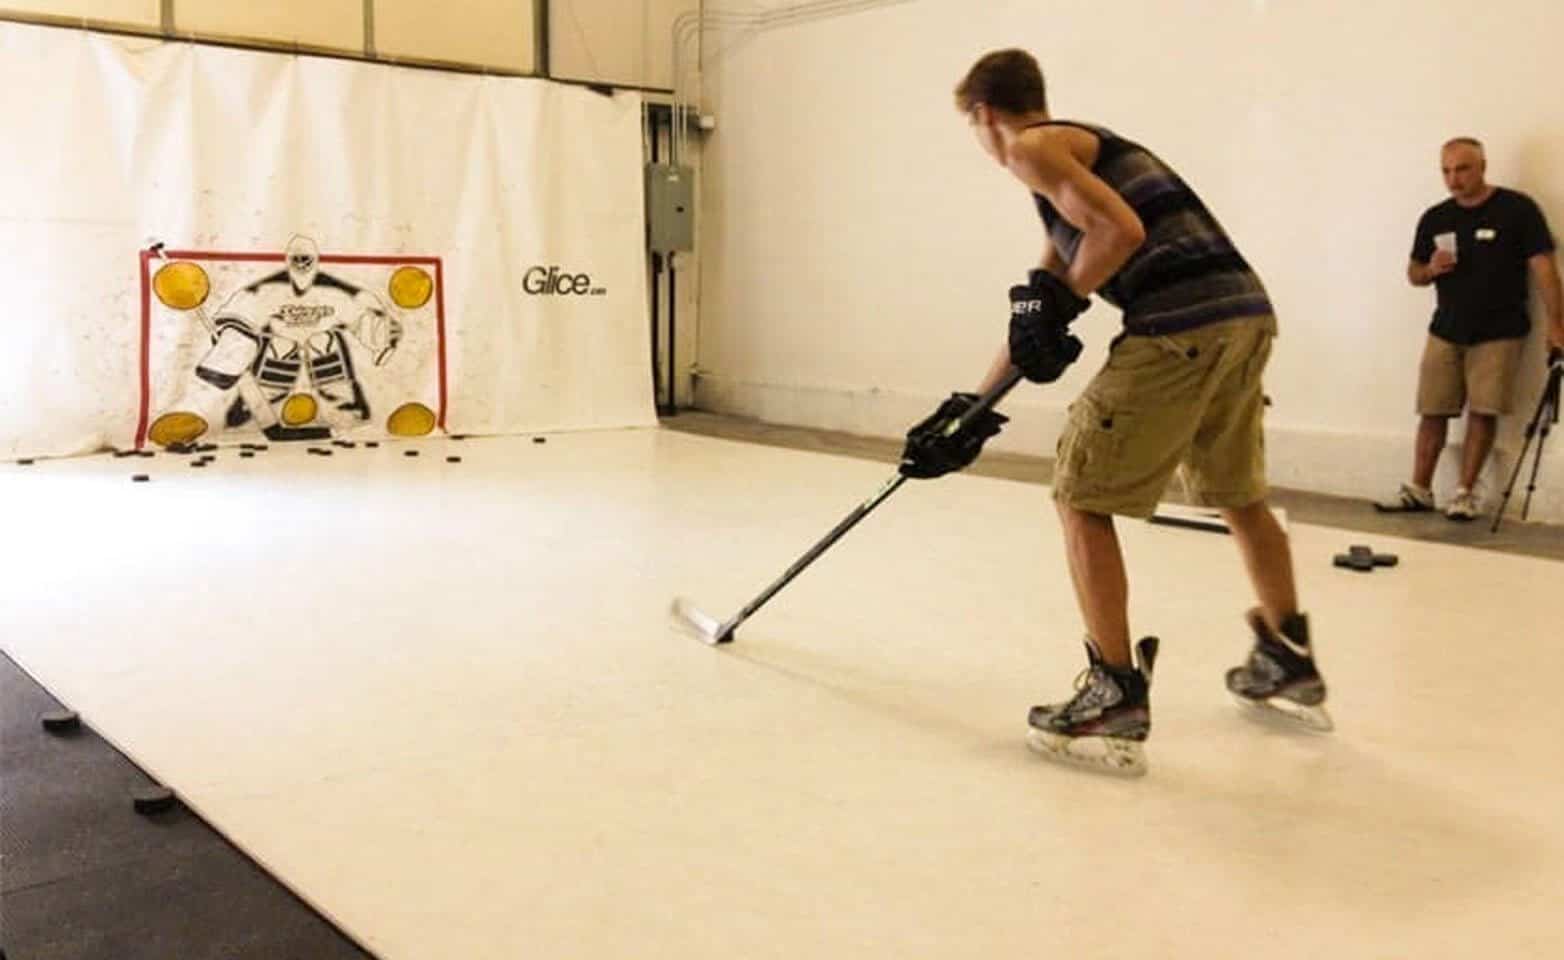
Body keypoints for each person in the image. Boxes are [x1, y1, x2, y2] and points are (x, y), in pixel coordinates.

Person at [897, 48, 1328, 777]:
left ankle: (1114, 694)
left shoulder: (1033, 149)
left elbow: (1119, 235)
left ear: (984, 115)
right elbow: (1059, 279)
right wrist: (972, 406)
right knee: (1237, 495)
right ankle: (1287, 658)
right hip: (1243, 318)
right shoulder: (1076, 156)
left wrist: (1059, 305)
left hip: (1180, 325)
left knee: (1079, 494)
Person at [1377, 138, 1563, 521]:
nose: (1453, 179)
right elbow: (1413, 273)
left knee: (1483, 409)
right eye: (1446, 171)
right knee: (1432, 409)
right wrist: (1430, 270)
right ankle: (1419, 488)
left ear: (1482, 166)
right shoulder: (1436, 218)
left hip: (1500, 329)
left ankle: (1465, 493)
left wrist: (1557, 323)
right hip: (1446, 327)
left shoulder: (1517, 210)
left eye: (1462, 169)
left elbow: (1544, 269)